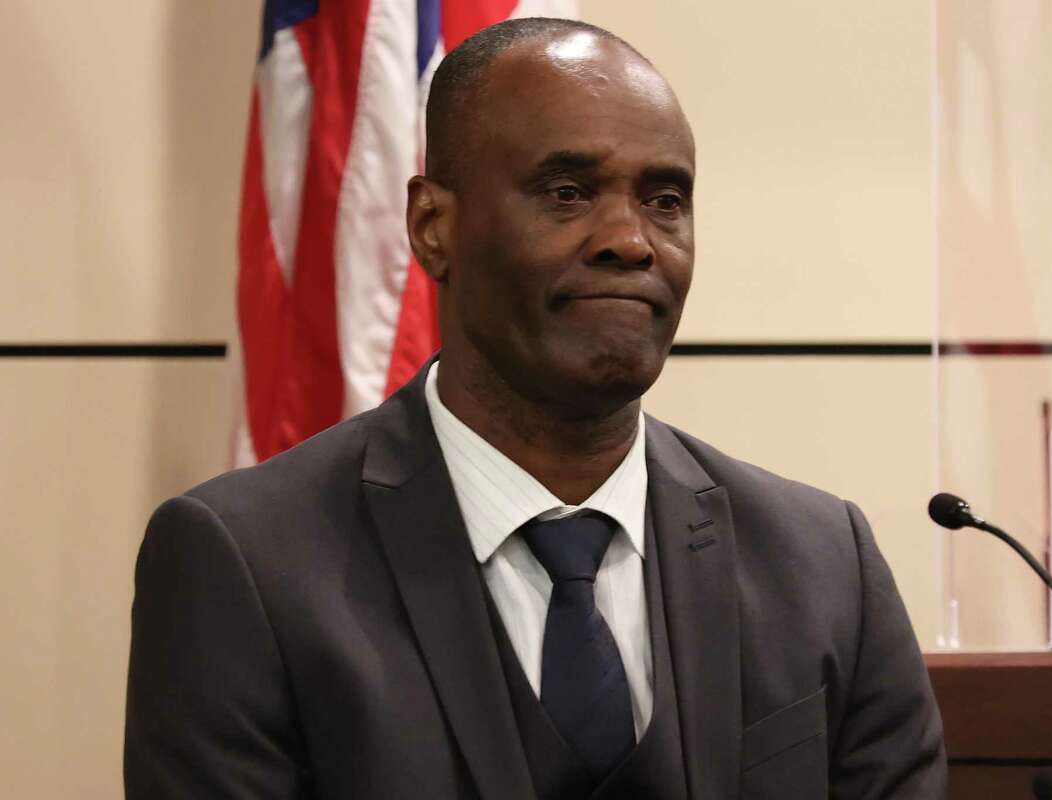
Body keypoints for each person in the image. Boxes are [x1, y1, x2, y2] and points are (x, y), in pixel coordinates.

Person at [125, 17, 945, 799]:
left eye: (665, 200)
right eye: (567, 192)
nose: (631, 240)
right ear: (432, 226)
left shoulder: (823, 566)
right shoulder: (247, 566)